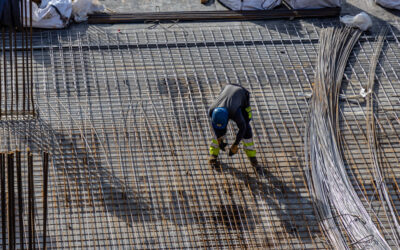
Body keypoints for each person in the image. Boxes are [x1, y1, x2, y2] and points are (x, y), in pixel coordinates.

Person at [208, 84, 258, 168]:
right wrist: (219, 138)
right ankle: (213, 155)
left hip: (242, 94)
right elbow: (215, 127)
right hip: (226, 88)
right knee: (218, 131)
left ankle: (252, 157)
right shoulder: (211, 110)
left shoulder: (235, 112)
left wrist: (236, 144)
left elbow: (242, 128)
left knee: (246, 127)